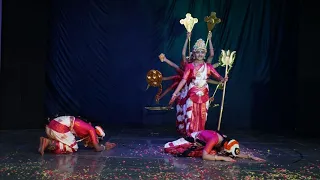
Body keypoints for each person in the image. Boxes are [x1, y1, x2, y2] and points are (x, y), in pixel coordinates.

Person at [169, 38, 227, 135]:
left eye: (202, 52)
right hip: (192, 91)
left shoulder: (208, 67)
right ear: (194, 53)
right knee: (190, 114)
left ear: (205, 54)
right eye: (198, 52)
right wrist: (175, 93)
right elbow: (184, 80)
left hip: (204, 93)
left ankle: (200, 135)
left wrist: (223, 79)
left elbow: (218, 77)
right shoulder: (190, 66)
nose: (200, 54)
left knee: (203, 115)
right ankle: (190, 135)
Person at [164, 130, 265, 162]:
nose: (226, 154)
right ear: (223, 147)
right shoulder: (214, 140)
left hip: (203, 144)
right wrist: (223, 158)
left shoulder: (225, 141)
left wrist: (249, 156)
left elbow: (232, 153)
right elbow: (204, 156)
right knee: (167, 148)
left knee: (213, 152)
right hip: (191, 142)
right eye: (225, 152)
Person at [38, 116, 116, 155]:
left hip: (51, 126)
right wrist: (104, 147)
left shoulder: (85, 127)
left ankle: (47, 143)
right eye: (96, 139)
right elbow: (97, 148)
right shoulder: (91, 130)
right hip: (59, 128)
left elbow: (90, 144)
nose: (95, 141)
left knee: (66, 142)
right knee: (74, 147)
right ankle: (48, 143)